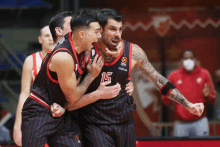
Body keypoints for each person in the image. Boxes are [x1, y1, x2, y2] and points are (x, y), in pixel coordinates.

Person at [52, 9, 205, 147]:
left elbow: (158, 80)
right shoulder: (86, 52)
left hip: (124, 123)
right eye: (112, 29)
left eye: (120, 29)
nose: (117, 34)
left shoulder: (132, 52)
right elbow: (70, 94)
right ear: (100, 30)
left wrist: (188, 104)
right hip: (94, 124)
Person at [21, 11, 122, 147]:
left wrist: (118, 46)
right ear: (82, 34)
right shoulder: (64, 57)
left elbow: (111, 45)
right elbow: (72, 98)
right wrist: (91, 76)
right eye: (97, 32)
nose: (99, 37)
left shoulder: (80, 42)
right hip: (39, 111)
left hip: (61, 111)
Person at [13, 25, 54, 146]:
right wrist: (17, 126)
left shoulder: (67, 57)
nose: (51, 39)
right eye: (47, 35)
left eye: (53, 35)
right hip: (37, 118)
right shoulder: (31, 60)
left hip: (61, 118)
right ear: (40, 39)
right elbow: (24, 94)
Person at [162, 49, 216, 137]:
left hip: (200, 122)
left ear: (195, 60)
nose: (188, 61)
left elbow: (212, 99)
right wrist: (168, 95)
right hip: (180, 124)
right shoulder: (174, 76)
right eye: (186, 58)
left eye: (191, 58)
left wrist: (207, 96)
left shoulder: (204, 74)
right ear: (181, 61)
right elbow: (165, 101)